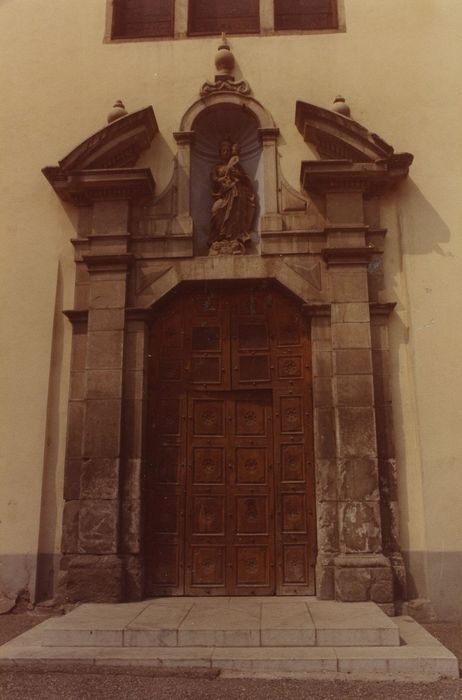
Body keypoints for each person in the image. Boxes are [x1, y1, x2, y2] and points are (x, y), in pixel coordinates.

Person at [209, 140, 256, 255]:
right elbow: (213, 181)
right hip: (223, 194)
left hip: (236, 193)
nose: (226, 152)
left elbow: (244, 179)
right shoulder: (217, 167)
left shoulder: (236, 165)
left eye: (228, 150)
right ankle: (218, 237)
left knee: (236, 214)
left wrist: (237, 174)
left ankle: (233, 238)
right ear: (220, 152)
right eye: (223, 150)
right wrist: (221, 179)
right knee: (216, 211)